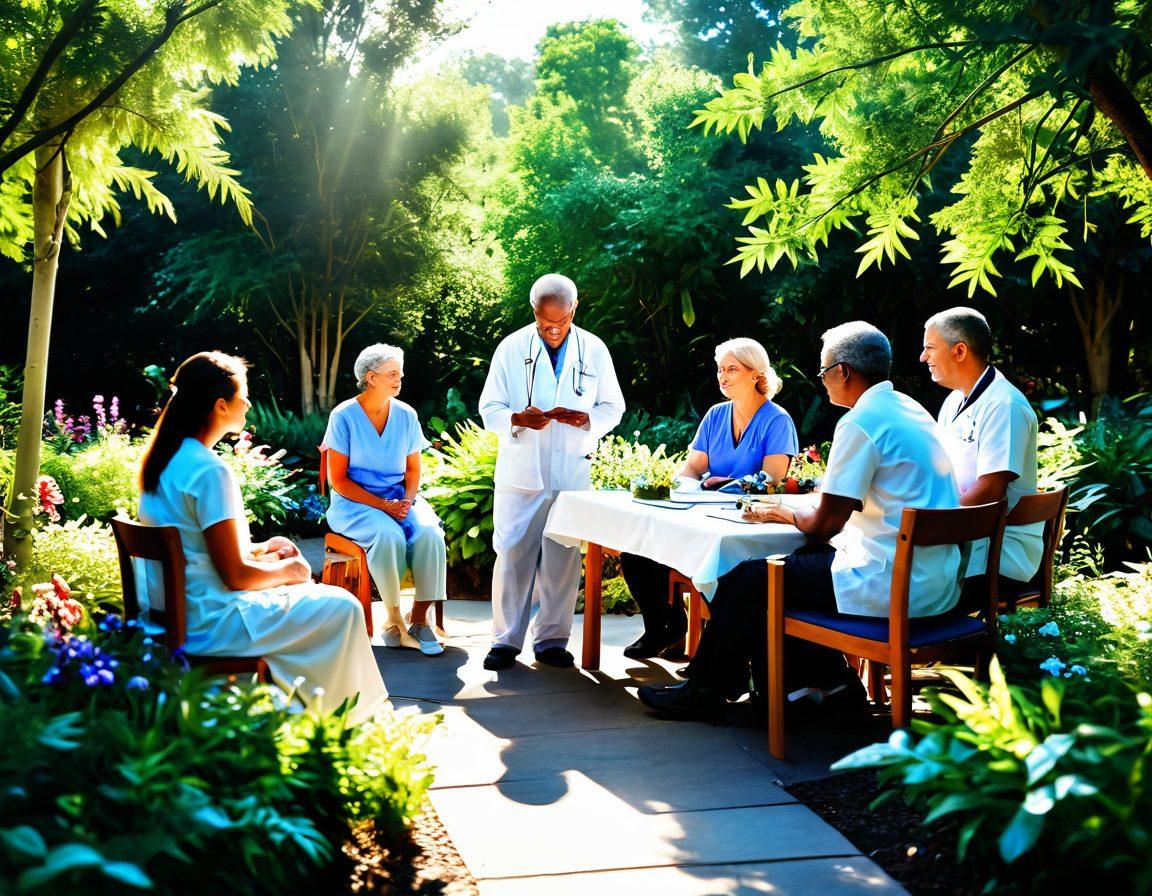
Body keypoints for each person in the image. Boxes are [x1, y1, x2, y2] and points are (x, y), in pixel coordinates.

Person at [638, 322, 962, 719]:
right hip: (936, 578)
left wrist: (781, 511)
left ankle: (706, 690)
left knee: (748, 578)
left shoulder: (861, 422)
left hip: (892, 582)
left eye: (824, 371)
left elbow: (827, 523)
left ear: (843, 372)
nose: (823, 381)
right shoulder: (909, 409)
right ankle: (832, 685)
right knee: (795, 564)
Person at [137, 352, 387, 722]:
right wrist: (293, 571)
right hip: (212, 622)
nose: (250, 403)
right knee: (343, 606)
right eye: (244, 394)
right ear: (221, 405)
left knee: (325, 604)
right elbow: (235, 576)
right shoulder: (208, 471)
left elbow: (196, 549)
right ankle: (342, 722)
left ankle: (305, 713)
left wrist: (264, 551)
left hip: (182, 613)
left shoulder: (164, 462)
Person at [479, 273, 625, 670]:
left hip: (572, 472)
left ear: (574, 310)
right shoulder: (511, 348)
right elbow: (488, 408)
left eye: (561, 322)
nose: (554, 330)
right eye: (546, 324)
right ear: (534, 313)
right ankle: (505, 641)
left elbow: (613, 407)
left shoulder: (594, 348)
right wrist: (516, 419)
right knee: (512, 554)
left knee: (562, 558)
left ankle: (552, 641)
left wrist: (587, 421)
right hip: (521, 472)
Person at [619, 337, 798, 658]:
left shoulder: (777, 420)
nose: (722, 376)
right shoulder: (716, 414)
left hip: (748, 523)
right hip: (704, 515)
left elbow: (773, 479)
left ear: (756, 374)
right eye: (720, 369)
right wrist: (673, 492)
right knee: (636, 550)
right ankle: (664, 627)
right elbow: (693, 469)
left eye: (732, 369)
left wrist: (726, 484)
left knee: (717, 565)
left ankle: (722, 655)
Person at [324, 344, 448, 656]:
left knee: (431, 534)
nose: (399, 379)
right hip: (354, 504)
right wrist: (382, 507)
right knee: (387, 534)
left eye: (400, 373)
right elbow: (336, 480)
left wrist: (407, 500)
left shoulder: (406, 415)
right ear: (370, 377)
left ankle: (419, 620)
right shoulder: (343, 417)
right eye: (392, 373)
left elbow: (412, 469)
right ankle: (393, 622)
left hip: (399, 499)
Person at [920, 307, 1042, 598]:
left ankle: (918, 640)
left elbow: (990, 490)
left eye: (930, 348)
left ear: (959, 351)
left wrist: (927, 523)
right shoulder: (953, 401)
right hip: (962, 532)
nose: (923, 357)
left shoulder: (1004, 405)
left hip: (998, 552)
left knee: (896, 575)